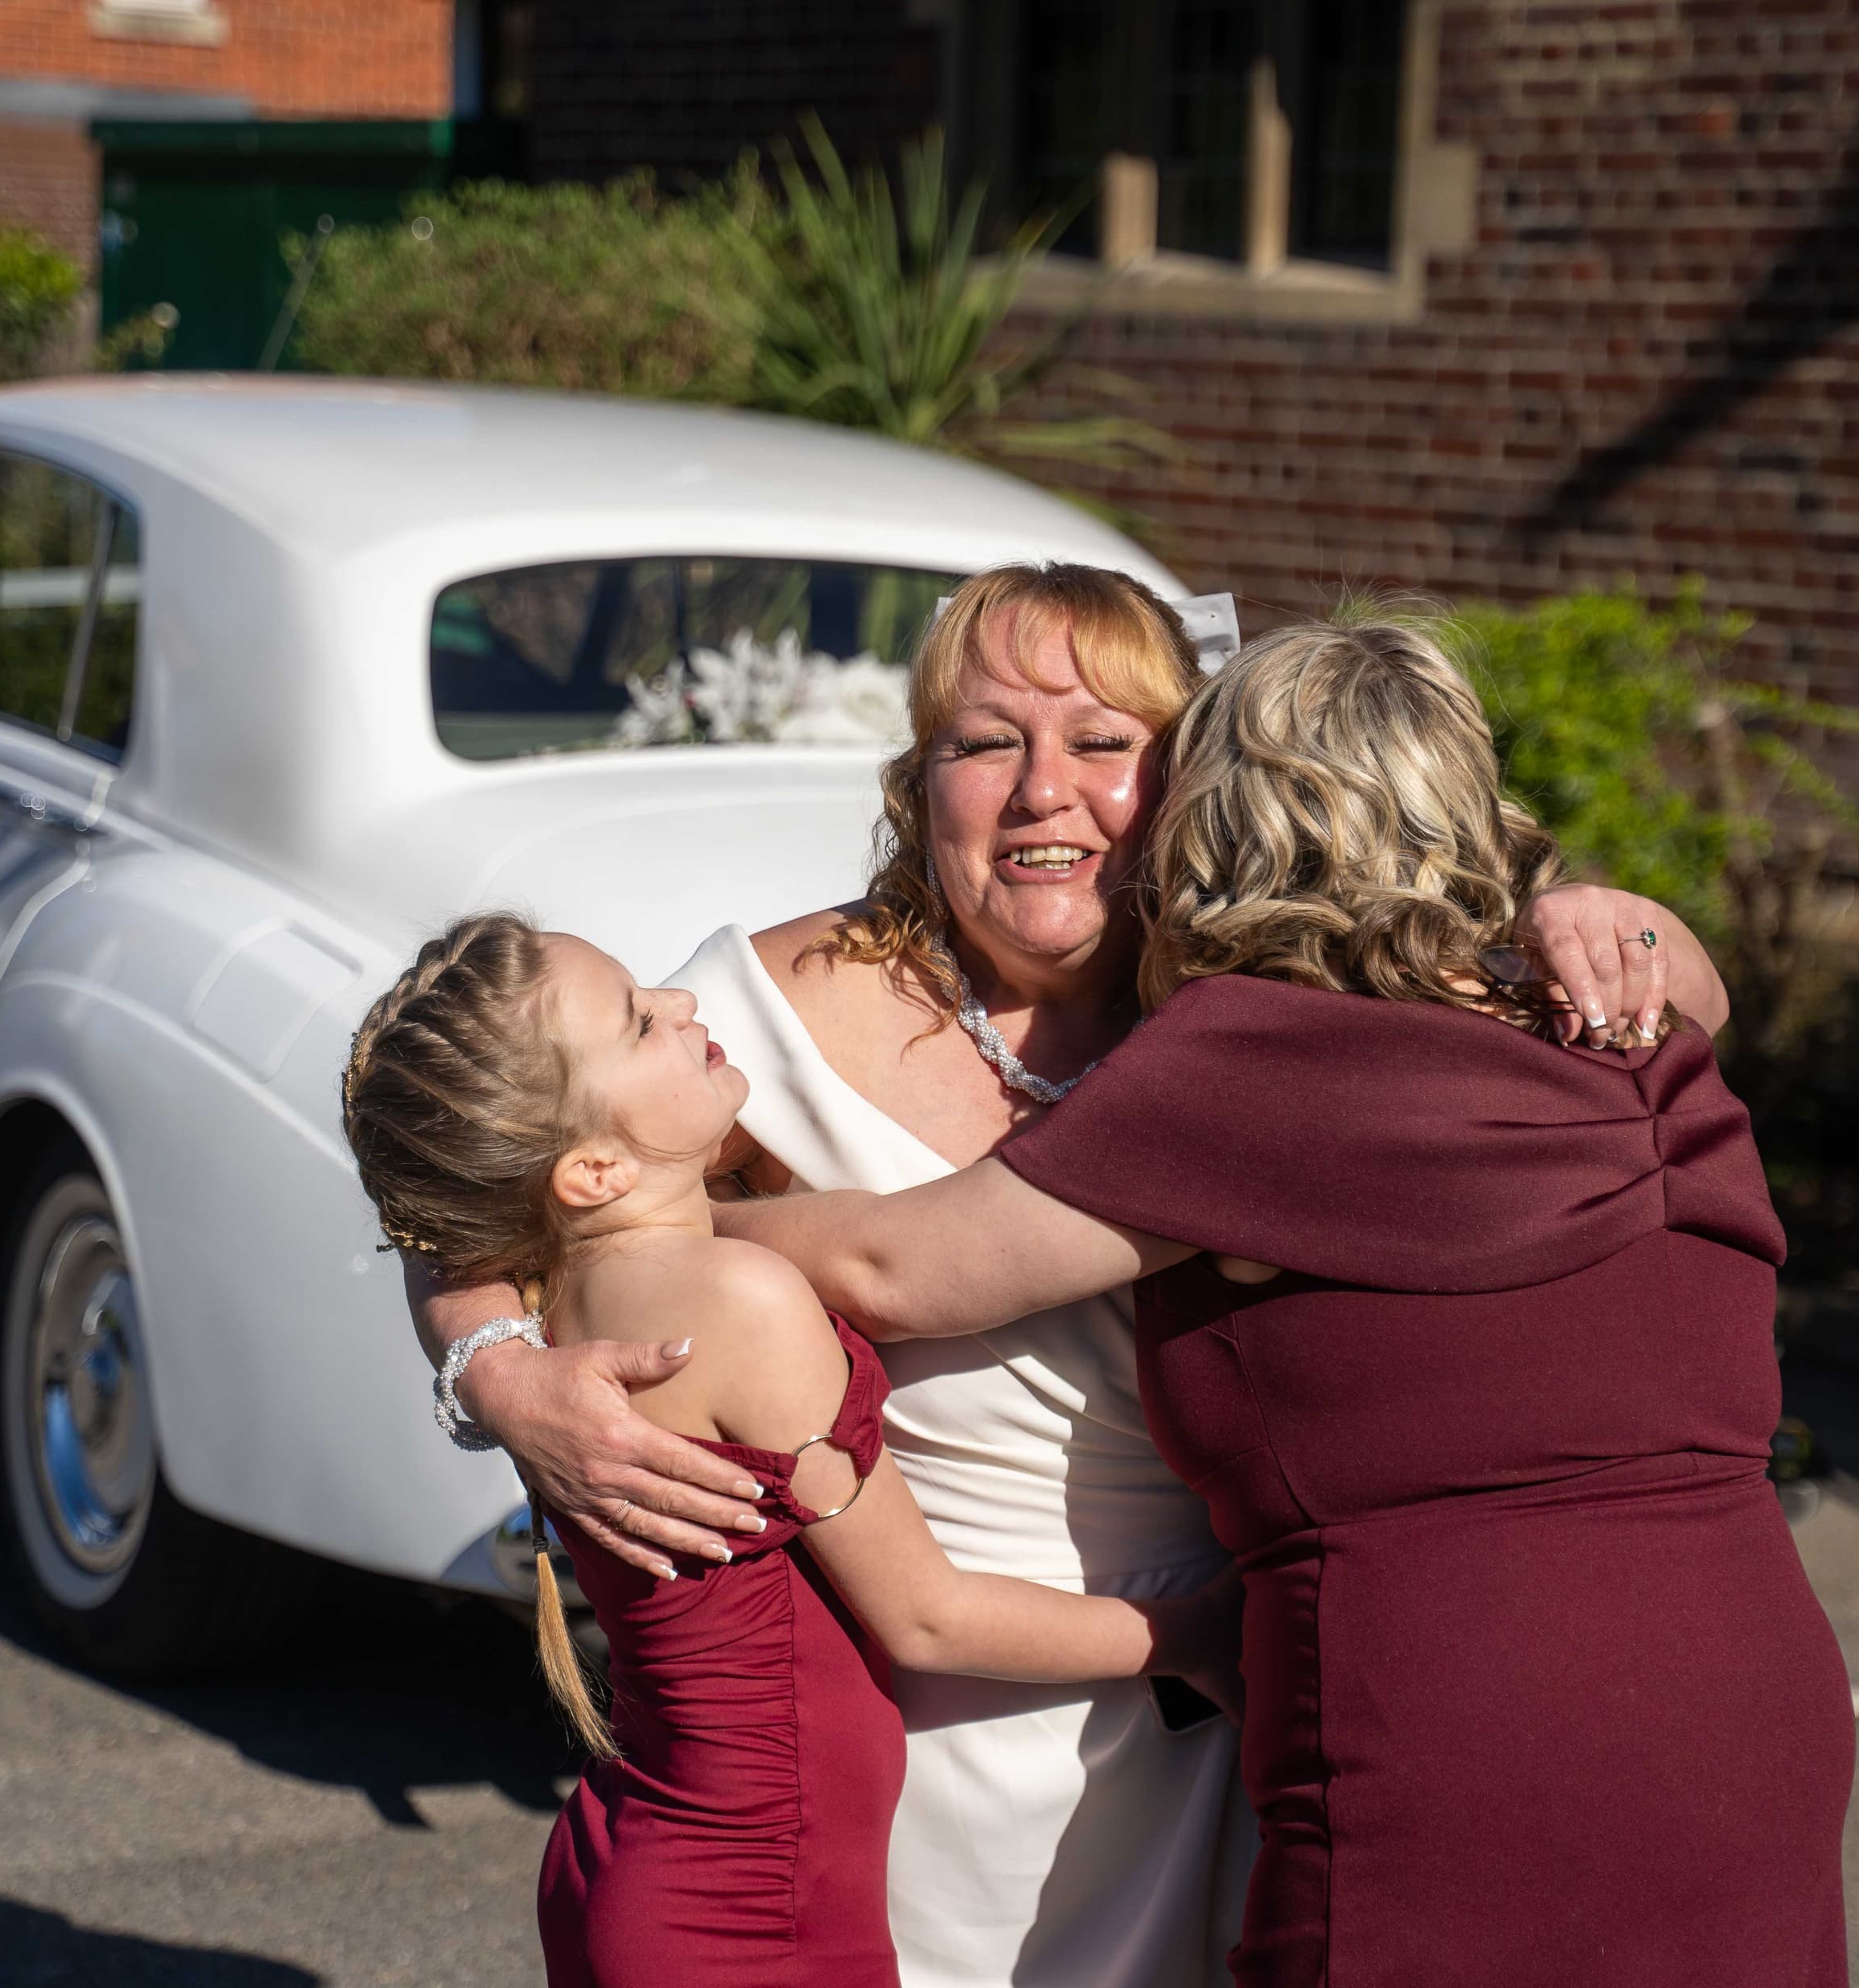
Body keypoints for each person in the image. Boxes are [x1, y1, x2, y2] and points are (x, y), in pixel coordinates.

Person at [421, 564, 1736, 1987]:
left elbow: (1667, 1014)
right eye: (986, 743)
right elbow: (479, 1189)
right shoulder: (756, 1013)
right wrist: (497, 1371)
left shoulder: (1282, 1007)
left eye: (1107, 745)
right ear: (919, 782)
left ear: (1197, 779)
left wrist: (1605, 917)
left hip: (1244, 1725)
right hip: (926, 1761)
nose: (1045, 789)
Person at [716, 621, 1856, 1986]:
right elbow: (1692, 978)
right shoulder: (1635, 1020)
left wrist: (657, 1233)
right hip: (1761, 1708)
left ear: (1230, 822)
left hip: (1466, 1734)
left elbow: (893, 1272)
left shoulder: (1265, 1061)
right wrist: (1601, 910)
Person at [341, 914, 1241, 1988]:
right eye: (638, 1021)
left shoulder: (563, 1292)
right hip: (752, 1905)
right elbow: (926, 1617)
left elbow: (453, 1231)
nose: (682, 1006)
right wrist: (1198, 1631)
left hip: (646, 1853)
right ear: (586, 1169)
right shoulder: (740, 1303)